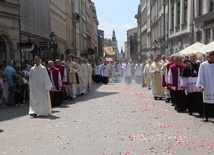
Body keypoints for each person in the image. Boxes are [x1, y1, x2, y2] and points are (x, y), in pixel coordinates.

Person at [196, 51, 214, 122]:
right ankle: (205, 116)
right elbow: (201, 76)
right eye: (212, 57)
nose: (213, 59)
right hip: (207, 85)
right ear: (209, 57)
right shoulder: (203, 65)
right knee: (206, 102)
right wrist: (201, 85)